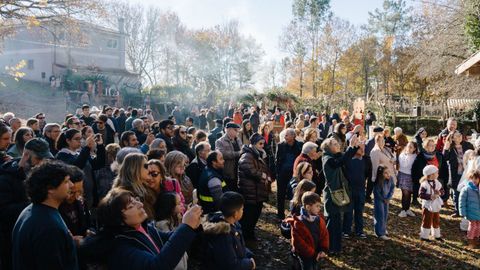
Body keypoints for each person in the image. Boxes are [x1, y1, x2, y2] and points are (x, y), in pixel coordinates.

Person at [93, 188, 202, 270]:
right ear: (118, 220)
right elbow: (156, 266)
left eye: (136, 200)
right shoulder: (121, 247)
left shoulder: (145, 228)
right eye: (131, 206)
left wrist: (192, 226)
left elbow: (168, 238)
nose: (140, 204)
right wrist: (186, 227)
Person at [12, 160, 77, 270]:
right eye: (66, 182)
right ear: (50, 188)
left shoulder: (30, 211)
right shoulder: (49, 227)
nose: (71, 185)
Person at [0, 138, 53, 270]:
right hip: (12, 240)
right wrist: (34, 203)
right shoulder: (6, 179)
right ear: (26, 155)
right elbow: (3, 211)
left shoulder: (42, 174)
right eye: (39, 158)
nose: (42, 162)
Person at [321, 136, 360, 254]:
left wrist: (353, 147)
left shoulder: (334, 156)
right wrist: (350, 148)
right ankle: (327, 247)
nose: (337, 145)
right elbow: (340, 162)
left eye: (337, 143)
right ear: (328, 148)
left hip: (338, 193)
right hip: (331, 194)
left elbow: (344, 157)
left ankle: (335, 248)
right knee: (332, 222)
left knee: (337, 222)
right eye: (334, 144)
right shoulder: (328, 159)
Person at [201, 191, 255, 270]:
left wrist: (249, 255)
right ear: (235, 213)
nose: (243, 211)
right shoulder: (223, 235)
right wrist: (249, 264)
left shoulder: (234, 224)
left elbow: (238, 245)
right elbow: (231, 265)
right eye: (242, 209)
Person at [238, 133, 271, 241]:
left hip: (257, 191)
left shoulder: (258, 154)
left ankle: (250, 234)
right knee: (249, 216)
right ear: (253, 144)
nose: (262, 146)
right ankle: (246, 237)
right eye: (260, 143)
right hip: (249, 191)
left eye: (263, 143)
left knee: (255, 215)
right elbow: (247, 168)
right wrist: (262, 175)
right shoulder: (247, 155)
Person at [286, 192, 329, 270]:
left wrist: (323, 249)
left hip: (317, 253)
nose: (320, 208)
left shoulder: (319, 220)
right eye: (317, 206)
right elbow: (299, 243)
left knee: (315, 267)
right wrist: (312, 254)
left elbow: (324, 235)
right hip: (305, 255)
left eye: (320, 206)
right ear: (308, 207)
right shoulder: (298, 223)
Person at [112, 153, 156, 219]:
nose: (149, 169)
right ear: (135, 168)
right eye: (146, 166)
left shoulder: (145, 187)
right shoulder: (126, 194)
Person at [443, 131, 474, 217]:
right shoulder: (450, 147)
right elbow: (445, 158)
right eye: (456, 136)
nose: (459, 137)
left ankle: (466, 210)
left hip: (467, 172)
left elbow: (474, 155)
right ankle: (457, 211)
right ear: (452, 138)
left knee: (467, 191)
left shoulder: (468, 145)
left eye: (459, 135)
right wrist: (446, 148)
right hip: (455, 173)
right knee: (456, 192)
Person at [155, 192, 188, 270]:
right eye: (179, 203)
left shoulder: (175, 218)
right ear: (170, 207)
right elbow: (175, 241)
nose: (182, 205)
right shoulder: (162, 225)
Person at [275, 128, 303, 219]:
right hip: (282, 174)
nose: (285, 137)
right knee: (281, 195)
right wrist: (278, 173)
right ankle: (280, 215)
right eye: (285, 135)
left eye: (287, 135)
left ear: (293, 136)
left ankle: (294, 214)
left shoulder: (299, 146)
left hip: (294, 175)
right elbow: (276, 160)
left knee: (294, 195)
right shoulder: (280, 145)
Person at [343, 142, 368, 238]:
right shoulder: (348, 160)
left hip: (361, 189)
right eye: (360, 148)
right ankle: (346, 230)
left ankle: (359, 230)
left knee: (359, 210)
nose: (363, 150)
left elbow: (366, 173)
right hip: (350, 189)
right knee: (348, 211)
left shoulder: (365, 160)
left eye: (363, 148)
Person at [58, 166, 92, 238]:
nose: (76, 196)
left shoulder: (81, 200)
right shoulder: (56, 207)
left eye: (80, 192)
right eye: (72, 192)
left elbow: (89, 224)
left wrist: (89, 231)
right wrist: (71, 241)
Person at [412, 138, 444, 207]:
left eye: (434, 145)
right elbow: (415, 169)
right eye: (430, 145)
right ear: (426, 146)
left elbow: (441, 167)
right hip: (424, 179)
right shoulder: (420, 156)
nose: (433, 147)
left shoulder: (438, 155)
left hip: (435, 179)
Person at [419, 165, 444, 241]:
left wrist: (439, 192)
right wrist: (430, 196)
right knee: (427, 220)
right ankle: (424, 236)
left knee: (436, 219)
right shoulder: (424, 184)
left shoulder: (437, 182)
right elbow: (421, 195)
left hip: (435, 205)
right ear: (431, 174)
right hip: (427, 205)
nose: (438, 174)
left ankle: (436, 235)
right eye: (436, 173)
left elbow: (443, 191)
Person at [215, 122, 242, 191]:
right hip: (228, 171)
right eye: (235, 130)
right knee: (230, 189)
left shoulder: (238, 139)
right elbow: (222, 154)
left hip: (238, 169)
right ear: (229, 130)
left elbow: (241, 149)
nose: (238, 132)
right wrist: (238, 153)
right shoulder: (220, 141)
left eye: (238, 130)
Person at [459, 169, 480, 248]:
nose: (474, 180)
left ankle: (476, 239)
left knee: (478, 226)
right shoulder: (466, 189)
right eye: (472, 178)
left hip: (478, 212)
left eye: (476, 178)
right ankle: (470, 241)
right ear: (469, 179)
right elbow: (462, 201)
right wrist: (462, 212)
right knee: (472, 226)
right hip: (471, 212)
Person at [373, 166, 395, 240]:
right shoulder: (379, 181)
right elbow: (376, 192)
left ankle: (383, 229)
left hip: (386, 200)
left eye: (389, 172)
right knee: (380, 215)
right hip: (379, 200)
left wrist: (388, 198)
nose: (388, 174)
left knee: (385, 214)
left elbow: (392, 188)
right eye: (385, 173)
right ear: (381, 174)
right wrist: (383, 199)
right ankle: (380, 233)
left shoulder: (391, 179)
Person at [397, 142, 418, 218]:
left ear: (414, 149)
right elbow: (404, 165)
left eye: (411, 147)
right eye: (408, 146)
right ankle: (403, 210)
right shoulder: (402, 155)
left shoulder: (415, 156)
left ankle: (407, 209)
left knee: (409, 193)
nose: (409, 148)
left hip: (410, 176)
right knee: (405, 193)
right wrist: (408, 155)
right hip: (403, 175)